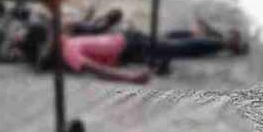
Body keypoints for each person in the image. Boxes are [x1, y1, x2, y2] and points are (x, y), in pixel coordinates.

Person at [23, 19, 248, 84]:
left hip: (127, 43)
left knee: (166, 43)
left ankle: (211, 38)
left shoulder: (64, 43)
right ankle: (222, 42)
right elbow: (95, 69)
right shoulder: (68, 51)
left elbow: (61, 29)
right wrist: (130, 78)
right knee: (169, 46)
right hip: (127, 47)